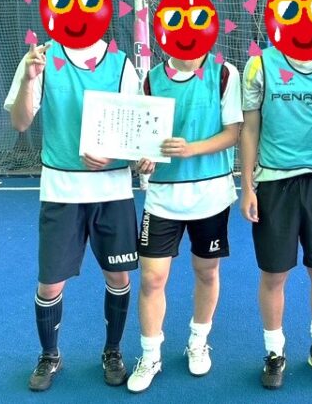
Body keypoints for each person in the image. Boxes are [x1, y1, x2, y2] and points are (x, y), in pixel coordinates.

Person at [4, 36, 141, 391]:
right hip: (61, 191)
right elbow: (20, 122)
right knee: (50, 282)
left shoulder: (120, 63)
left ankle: (112, 350)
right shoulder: (41, 58)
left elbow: (136, 130)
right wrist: (29, 79)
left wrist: (112, 154)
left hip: (112, 192)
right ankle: (50, 355)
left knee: (119, 277)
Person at [239, 44, 312, 389]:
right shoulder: (260, 65)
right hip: (274, 183)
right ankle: (274, 353)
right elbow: (250, 129)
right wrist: (246, 186)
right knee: (274, 274)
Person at [126, 52, 242, 393]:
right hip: (163, 197)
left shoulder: (224, 73)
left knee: (207, 272)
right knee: (152, 278)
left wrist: (191, 149)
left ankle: (198, 340)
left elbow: (233, 133)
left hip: (211, 196)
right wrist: (142, 159)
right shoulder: (151, 80)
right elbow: (142, 140)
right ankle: (150, 355)